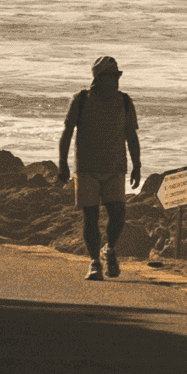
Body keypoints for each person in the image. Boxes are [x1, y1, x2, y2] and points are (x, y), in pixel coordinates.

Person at [56, 54, 143, 279]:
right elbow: (67, 132)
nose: (115, 80)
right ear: (99, 78)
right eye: (111, 76)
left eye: (117, 75)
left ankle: (109, 249)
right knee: (91, 216)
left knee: (118, 214)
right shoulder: (81, 99)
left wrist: (137, 165)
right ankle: (95, 262)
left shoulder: (124, 101)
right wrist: (62, 163)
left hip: (115, 167)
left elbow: (131, 136)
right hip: (86, 168)